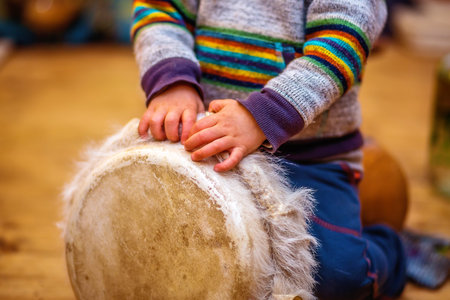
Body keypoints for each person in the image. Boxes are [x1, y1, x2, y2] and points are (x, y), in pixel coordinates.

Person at [131, 0, 407, 299]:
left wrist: (262, 116)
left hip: (309, 157)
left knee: (335, 278)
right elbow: (161, 10)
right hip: (206, 143)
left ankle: (387, 251)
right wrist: (173, 82)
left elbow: (341, 45)